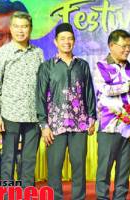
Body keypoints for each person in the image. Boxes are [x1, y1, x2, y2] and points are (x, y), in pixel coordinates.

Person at [37, 23, 96, 200]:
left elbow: (89, 92)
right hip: (55, 125)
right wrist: (43, 124)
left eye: (70, 38)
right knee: (54, 167)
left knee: (79, 166)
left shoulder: (82, 65)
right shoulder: (47, 67)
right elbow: (40, 96)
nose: (67, 42)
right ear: (56, 42)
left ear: (74, 41)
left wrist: (92, 116)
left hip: (79, 124)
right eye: (62, 39)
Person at [94, 29, 130, 200]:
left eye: (129, 46)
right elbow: (106, 89)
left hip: (129, 127)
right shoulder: (101, 66)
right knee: (104, 170)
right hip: (109, 127)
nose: (127, 49)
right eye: (123, 46)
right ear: (111, 46)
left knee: (124, 172)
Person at [0, 11, 44, 188]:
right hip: (10, 115)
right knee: (8, 159)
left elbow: (43, 87)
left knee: (28, 161)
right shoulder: (1, 53)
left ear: (30, 29)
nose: (21, 31)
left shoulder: (38, 53)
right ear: (11, 29)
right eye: (17, 26)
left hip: (33, 116)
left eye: (25, 26)